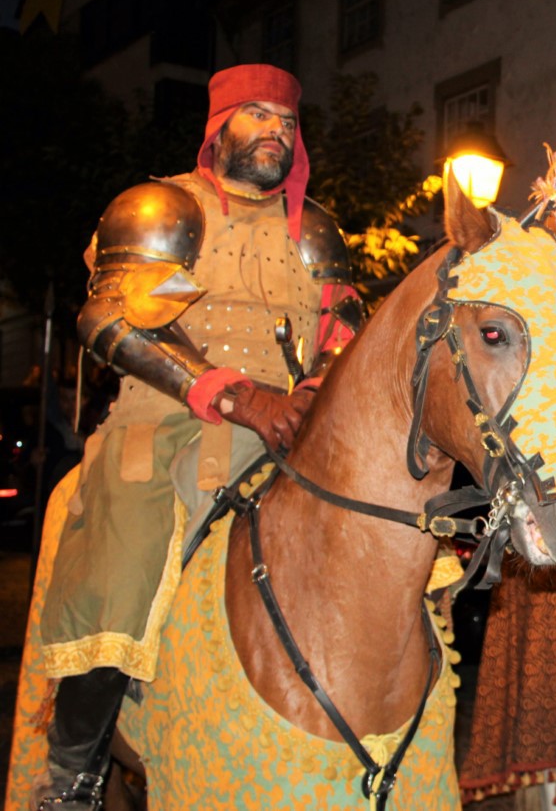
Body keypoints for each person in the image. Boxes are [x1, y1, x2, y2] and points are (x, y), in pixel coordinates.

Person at [32, 64, 363, 810]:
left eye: (286, 120)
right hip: (165, 420)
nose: (276, 131)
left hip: (292, 421)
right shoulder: (161, 208)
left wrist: (313, 389)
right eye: (257, 115)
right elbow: (111, 319)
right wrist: (237, 394)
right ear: (219, 126)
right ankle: (74, 778)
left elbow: (343, 326)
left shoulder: (313, 230)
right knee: (124, 561)